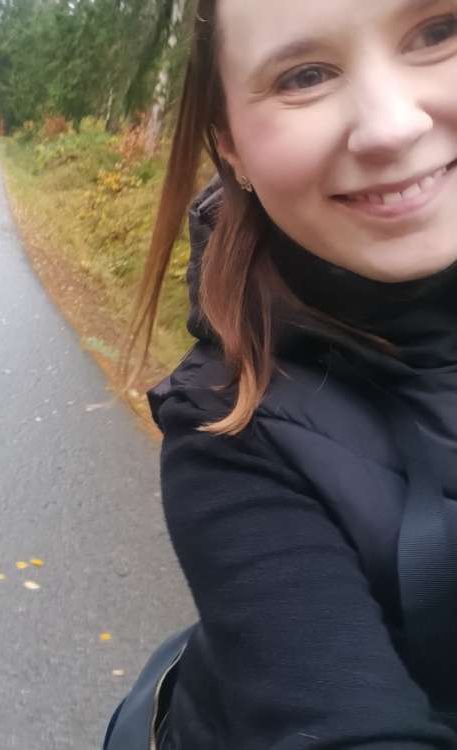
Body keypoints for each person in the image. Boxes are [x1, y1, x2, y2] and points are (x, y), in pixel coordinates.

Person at [122, 0, 457, 747]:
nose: (392, 125)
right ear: (228, 145)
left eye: (437, 33)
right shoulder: (228, 428)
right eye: (304, 76)